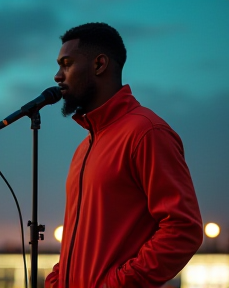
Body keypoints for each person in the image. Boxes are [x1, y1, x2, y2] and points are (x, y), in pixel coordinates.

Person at [45, 22, 203, 288]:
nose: (57, 76)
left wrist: (116, 284)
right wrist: (58, 280)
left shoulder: (146, 132)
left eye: (67, 63)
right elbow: (81, 238)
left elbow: (183, 229)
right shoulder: (84, 147)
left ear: (99, 64)